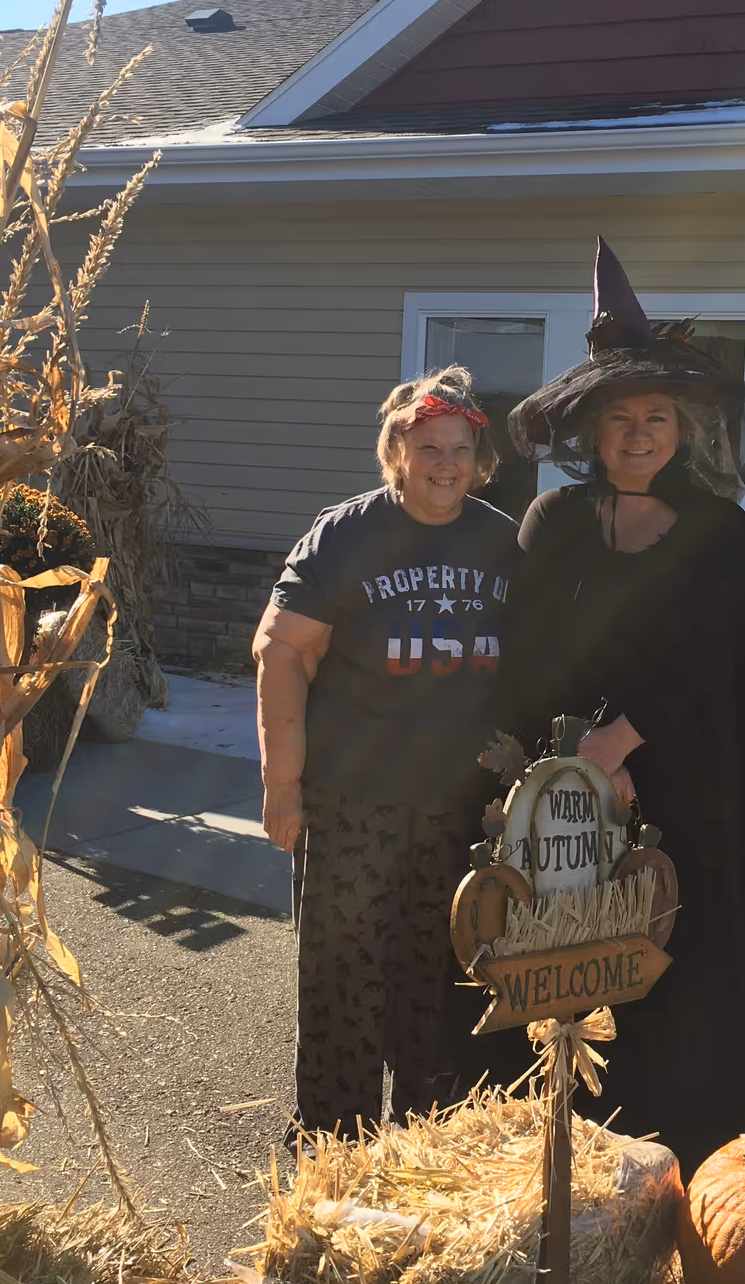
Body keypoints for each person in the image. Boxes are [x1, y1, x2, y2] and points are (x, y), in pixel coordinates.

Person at [503, 238, 745, 1177]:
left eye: (657, 416)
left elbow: (713, 663)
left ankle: (694, 1177)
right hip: (573, 797)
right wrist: (567, 763)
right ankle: (595, 1186)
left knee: (681, 971)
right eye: (621, 417)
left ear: (683, 428)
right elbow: (528, 652)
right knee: (583, 967)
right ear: (592, 430)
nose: (639, 433)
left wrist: (620, 744)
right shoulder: (552, 522)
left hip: (690, 793)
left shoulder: (718, 532)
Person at [253, 367, 521, 1137]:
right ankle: (333, 1140)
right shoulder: (345, 534)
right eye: (429, 448)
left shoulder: (503, 540)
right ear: (397, 452)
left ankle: (429, 1138)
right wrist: (282, 784)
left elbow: (541, 658)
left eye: (460, 449)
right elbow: (281, 652)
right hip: (352, 801)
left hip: (460, 808)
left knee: (444, 975)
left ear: (478, 459)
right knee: (345, 973)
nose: (446, 464)